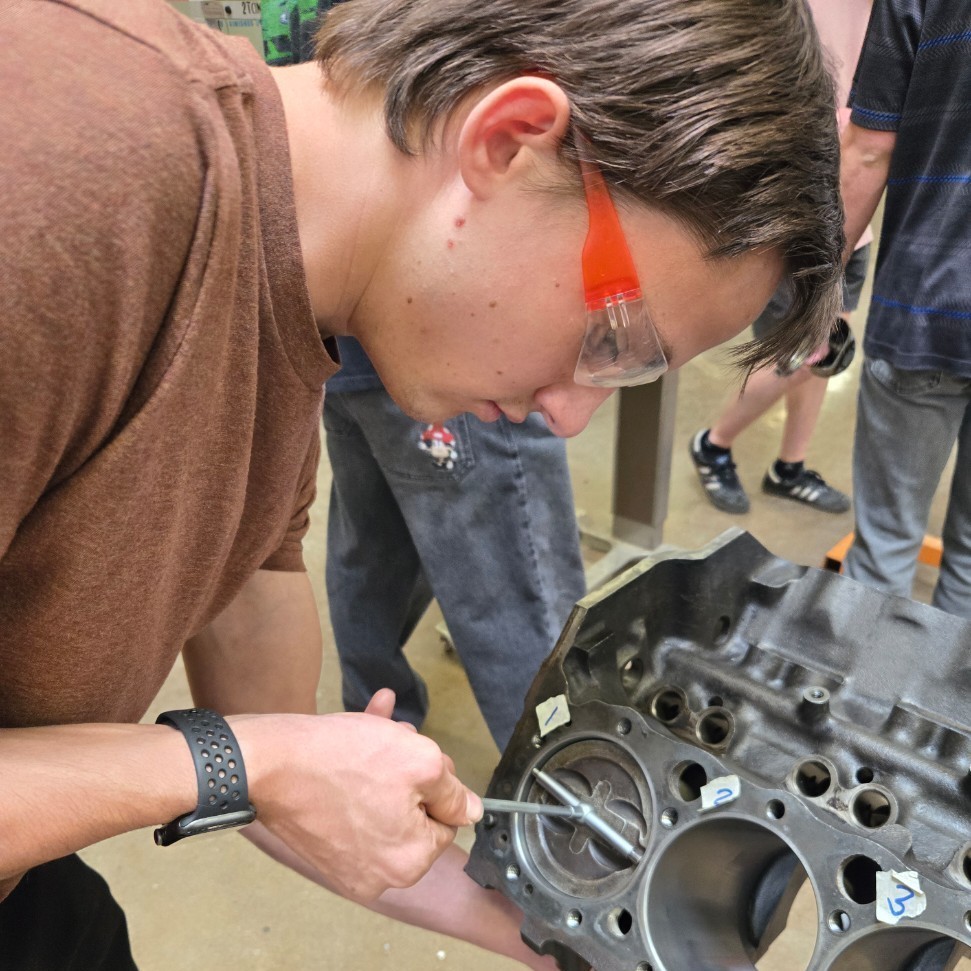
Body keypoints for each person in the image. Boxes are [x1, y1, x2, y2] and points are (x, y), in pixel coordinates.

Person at [0, 0, 844, 966]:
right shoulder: (55, 175)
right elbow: (253, 758)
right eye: (615, 341)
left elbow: (273, 744)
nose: (570, 414)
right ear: (511, 137)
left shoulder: (291, 310)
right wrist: (228, 764)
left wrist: (561, 941)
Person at [324, 337, 587, 752]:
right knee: (518, 594)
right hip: (455, 357)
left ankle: (373, 729)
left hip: (348, 360)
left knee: (373, 553)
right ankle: (564, 781)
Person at [689, 0, 874, 516]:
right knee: (798, 355)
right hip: (800, 213)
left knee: (825, 353)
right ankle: (714, 443)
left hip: (855, 213)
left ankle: (789, 466)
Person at [839, 0, 971, 618]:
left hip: (926, 304)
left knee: (887, 548)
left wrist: (823, 297)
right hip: (926, 306)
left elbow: (868, 152)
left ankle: (868, 706)